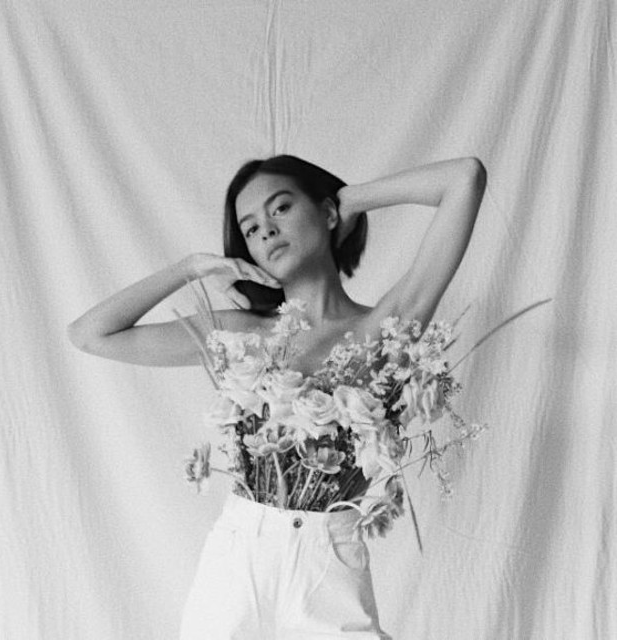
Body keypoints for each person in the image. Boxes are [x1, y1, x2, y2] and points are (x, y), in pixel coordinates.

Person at [68, 154, 487, 639]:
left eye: (281, 208)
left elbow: (465, 178)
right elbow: (90, 334)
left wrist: (350, 200)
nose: (265, 230)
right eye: (249, 228)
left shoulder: (383, 328)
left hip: (329, 561)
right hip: (239, 556)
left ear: (325, 213)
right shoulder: (240, 333)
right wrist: (193, 267)